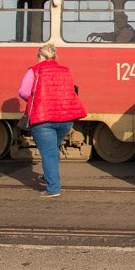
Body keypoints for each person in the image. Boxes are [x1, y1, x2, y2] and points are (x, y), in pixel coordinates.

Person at [18, 43, 87, 198]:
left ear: (40, 56)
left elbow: (23, 92)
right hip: (65, 118)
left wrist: (36, 100)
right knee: (52, 150)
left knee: (49, 152)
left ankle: (53, 188)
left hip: (43, 118)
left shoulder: (34, 71)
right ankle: (47, 176)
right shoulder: (65, 71)